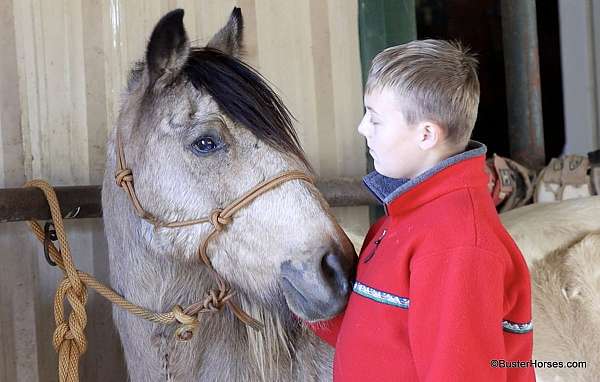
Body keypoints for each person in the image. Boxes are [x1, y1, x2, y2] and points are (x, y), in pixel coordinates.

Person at [308, 39, 535, 381]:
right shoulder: (401, 220)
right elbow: (375, 340)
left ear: (427, 134)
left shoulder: (458, 245)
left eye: (376, 119)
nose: (362, 128)